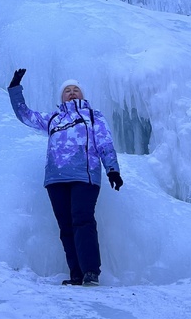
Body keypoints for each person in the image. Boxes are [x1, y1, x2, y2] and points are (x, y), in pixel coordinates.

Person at [8, 69, 123, 286]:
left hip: (84, 176)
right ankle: (77, 273)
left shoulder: (92, 116)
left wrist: (112, 169)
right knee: (66, 227)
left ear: (83, 95)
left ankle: (91, 271)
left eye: (76, 90)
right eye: (67, 91)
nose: (71, 93)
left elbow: (105, 143)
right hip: (56, 179)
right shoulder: (53, 118)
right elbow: (25, 115)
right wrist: (15, 88)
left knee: (82, 220)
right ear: (61, 97)